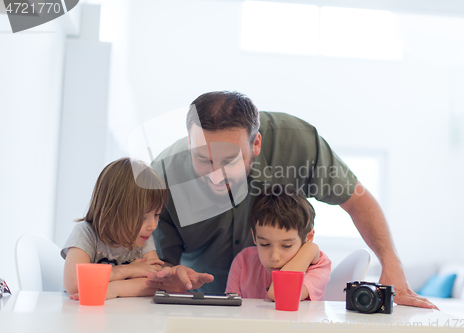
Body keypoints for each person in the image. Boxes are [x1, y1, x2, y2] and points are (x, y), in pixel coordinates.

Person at [147, 91, 437, 309]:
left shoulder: (297, 144)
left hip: (283, 310)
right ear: (189, 144)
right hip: (204, 306)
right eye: (202, 159)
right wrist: (168, 278)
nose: (215, 175)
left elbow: (357, 200)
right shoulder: (161, 180)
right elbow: (159, 265)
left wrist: (392, 265)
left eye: (229, 161)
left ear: (256, 144)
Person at [61, 157, 213, 299]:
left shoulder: (142, 237)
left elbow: (154, 284)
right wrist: (128, 271)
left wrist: (113, 289)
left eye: (157, 214)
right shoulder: (85, 234)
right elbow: (74, 284)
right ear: (112, 211)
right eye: (143, 218)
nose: (153, 225)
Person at [225, 184, 331, 300]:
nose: (274, 257)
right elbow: (232, 312)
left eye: (287, 245)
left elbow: (281, 294)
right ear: (254, 236)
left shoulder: (319, 266)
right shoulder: (243, 261)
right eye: (264, 244)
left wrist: (311, 248)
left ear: (309, 237)